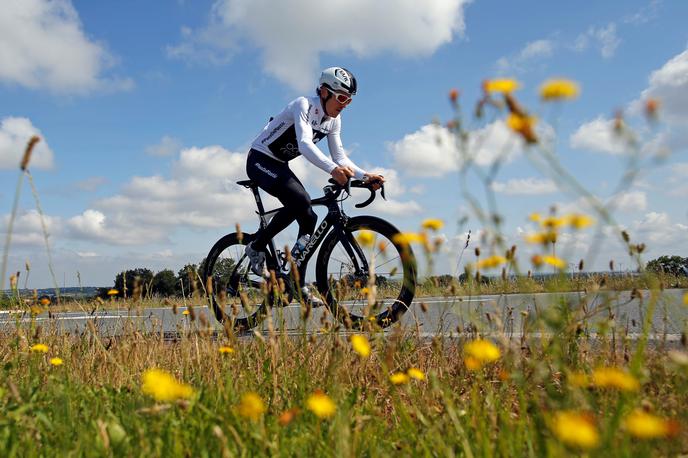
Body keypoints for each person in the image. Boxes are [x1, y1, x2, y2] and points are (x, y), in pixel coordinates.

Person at [244, 67, 385, 302]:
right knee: (301, 201)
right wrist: (332, 170)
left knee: (309, 217)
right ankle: (256, 246)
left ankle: (295, 282)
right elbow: (305, 144)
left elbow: (340, 157)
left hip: (280, 163)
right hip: (260, 159)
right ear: (323, 91)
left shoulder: (334, 121)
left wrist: (364, 176)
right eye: (341, 97)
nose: (344, 104)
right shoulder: (304, 105)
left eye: (349, 100)